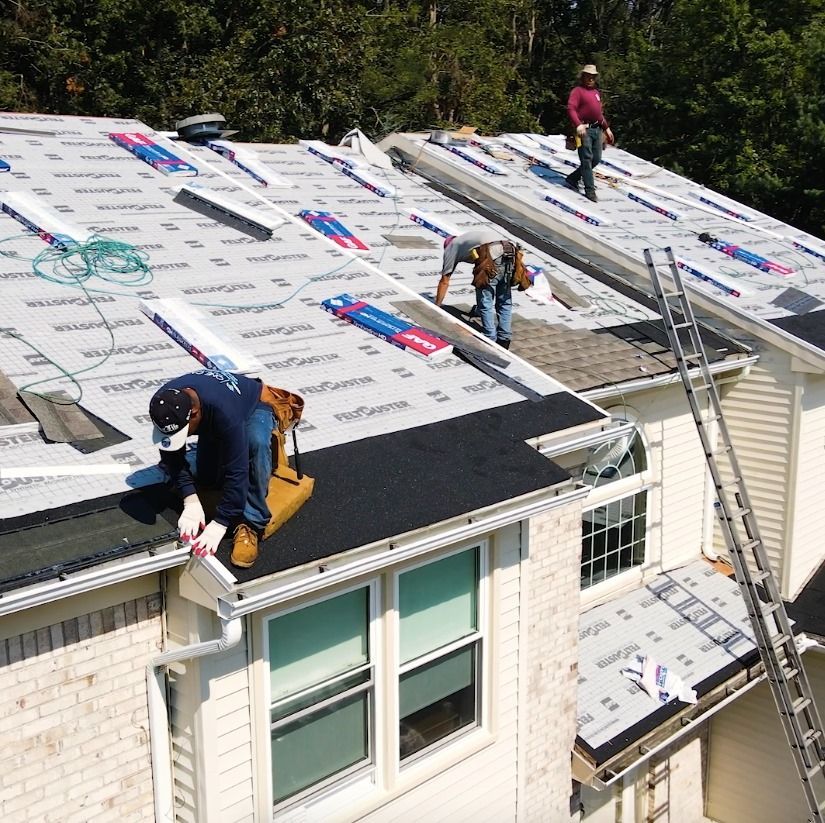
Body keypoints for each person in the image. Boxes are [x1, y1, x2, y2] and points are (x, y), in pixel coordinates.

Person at [149, 369, 304, 568]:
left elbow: (237, 472)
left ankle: (251, 524)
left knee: (254, 444)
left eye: (183, 431)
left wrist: (221, 522)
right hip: (218, 409)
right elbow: (169, 447)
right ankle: (220, 446)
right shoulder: (163, 403)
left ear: (195, 414)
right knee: (207, 479)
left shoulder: (226, 413)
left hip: (254, 404)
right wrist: (190, 497)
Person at [436, 228, 530, 348]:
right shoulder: (467, 239)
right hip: (511, 252)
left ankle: (489, 337)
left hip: (492, 254)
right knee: (504, 301)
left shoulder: (451, 248)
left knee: (485, 301)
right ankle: (504, 339)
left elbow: (445, 280)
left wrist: (437, 306)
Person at [565, 64, 615, 203]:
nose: (591, 79)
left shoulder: (596, 93)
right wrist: (578, 124)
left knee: (596, 158)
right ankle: (589, 190)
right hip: (583, 129)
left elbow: (599, 114)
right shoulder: (577, 91)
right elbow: (571, 109)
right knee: (586, 158)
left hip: (596, 129)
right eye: (588, 76)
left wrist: (606, 128)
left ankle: (573, 178)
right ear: (583, 77)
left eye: (593, 77)